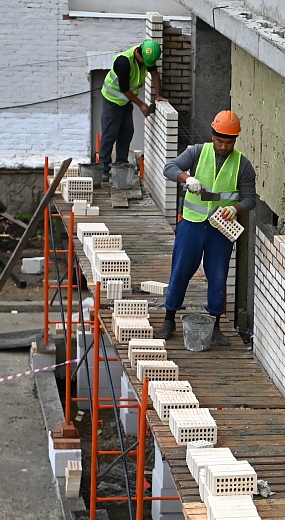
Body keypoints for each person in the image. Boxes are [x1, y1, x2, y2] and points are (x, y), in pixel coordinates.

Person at [154, 110, 259, 346]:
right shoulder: (197, 152)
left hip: (220, 229)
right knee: (181, 271)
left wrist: (236, 209)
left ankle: (215, 325)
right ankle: (169, 318)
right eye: (220, 140)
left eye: (229, 142)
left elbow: (250, 199)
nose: (224, 146)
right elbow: (169, 168)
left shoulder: (243, 165)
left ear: (235, 140)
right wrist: (186, 178)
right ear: (213, 136)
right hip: (191, 224)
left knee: (218, 276)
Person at [99, 38, 164, 181]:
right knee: (110, 133)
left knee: (127, 131)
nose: (147, 66)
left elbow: (154, 74)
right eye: (146, 63)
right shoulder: (123, 62)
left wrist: (158, 95)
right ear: (139, 54)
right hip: (112, 99)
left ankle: (121, 163)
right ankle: (104, 168)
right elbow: (124, 89)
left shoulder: (147, 57)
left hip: (126, 101)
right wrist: (141, 104)